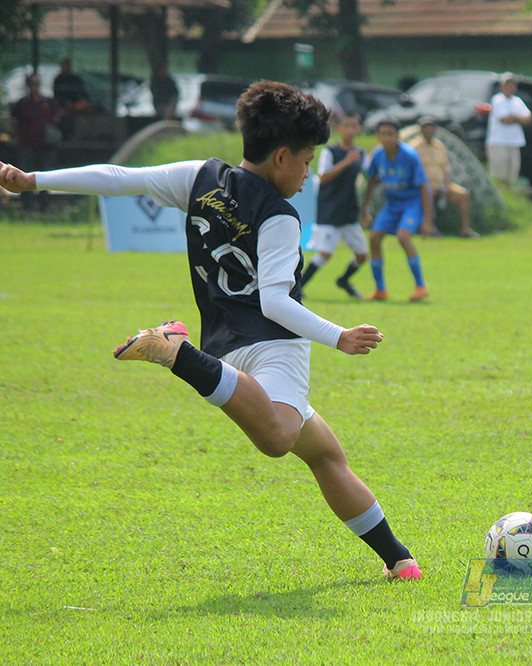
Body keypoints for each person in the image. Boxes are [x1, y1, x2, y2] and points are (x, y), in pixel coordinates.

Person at [0, 80, 422, 581]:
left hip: (229, 347)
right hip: (271, 348)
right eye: (308, 161)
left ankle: (399, 560)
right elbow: (275, 302)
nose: (309, 174)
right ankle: (177, 350)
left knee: (325, 453)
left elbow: (118, 177)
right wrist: (339, 336)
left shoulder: (200, 176)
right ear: (282, 157)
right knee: (279, 438)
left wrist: (33, 179)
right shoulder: (280, 215)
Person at [360, 116, 433, 302]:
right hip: (392, 205)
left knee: (403, 236)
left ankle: (420, 287)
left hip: (411, 204)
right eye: (383, 134)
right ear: (377, 136)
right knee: (374, 238)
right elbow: (371, 181)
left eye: (390, 134)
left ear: (398, 136)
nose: (386, 138)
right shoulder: (377, 155)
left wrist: (428, 220)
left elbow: (424, 187)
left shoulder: (409, 155)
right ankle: (380, 290)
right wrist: (364, 209)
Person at [301, 112, 369, 299]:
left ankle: (344, 280)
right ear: (339, 129)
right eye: (346, 126)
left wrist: (366, 208)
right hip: (330, 210)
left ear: (359, 129)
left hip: (349, 212)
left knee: (362, 255)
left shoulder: (361, 154)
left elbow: (370, 176)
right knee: (325, 254)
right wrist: (346, 162)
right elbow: (323, 178)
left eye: (354, 126)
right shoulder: (330, 152)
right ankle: (299, 287)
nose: (350, 130)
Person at [409, 116, 479, 238]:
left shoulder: (439, 145)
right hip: (423, 186)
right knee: (429, 193)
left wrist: (446, 183)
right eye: (426, 128)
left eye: (431, 128)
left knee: (463, 194)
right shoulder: (414, 147)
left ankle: (465, 228)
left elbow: (445, 167)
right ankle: (429, 227)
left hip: (441, 185)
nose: (429, 131)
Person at [10, 73, 60, 213]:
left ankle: (45, 204)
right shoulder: (22, 104)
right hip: (26, 145)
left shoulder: (49, 102)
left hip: (45, 145)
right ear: (28, 85)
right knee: (24, 175)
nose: (35, 86)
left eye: (37, 83)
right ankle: (27, 206)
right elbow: (13, 121)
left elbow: (56, 118)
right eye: (32, 83)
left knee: (45, 176)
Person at [485, 72, 531, 187]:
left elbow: (529, 119)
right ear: (502, 86)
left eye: (512, 85)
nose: (510, 87)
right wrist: (519, 118)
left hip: (514, 143)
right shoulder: (497, 100)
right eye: (507, 84)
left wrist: (514, 117)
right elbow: (504, 119)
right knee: (499, 176)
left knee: (512, 175)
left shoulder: (518, 101)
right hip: (498, 142)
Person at [53, 58, 90, 138]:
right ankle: (64, 134)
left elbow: (83, 92)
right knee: (60, 115)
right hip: (63, 106)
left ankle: (85, 133)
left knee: (85, 109)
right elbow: (56, 96)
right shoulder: (58, 80)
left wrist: (85, 101)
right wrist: (65, 103)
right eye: (64, 66)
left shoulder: (76, 79)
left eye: (67, 66)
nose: (66, 68)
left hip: (76, 104)